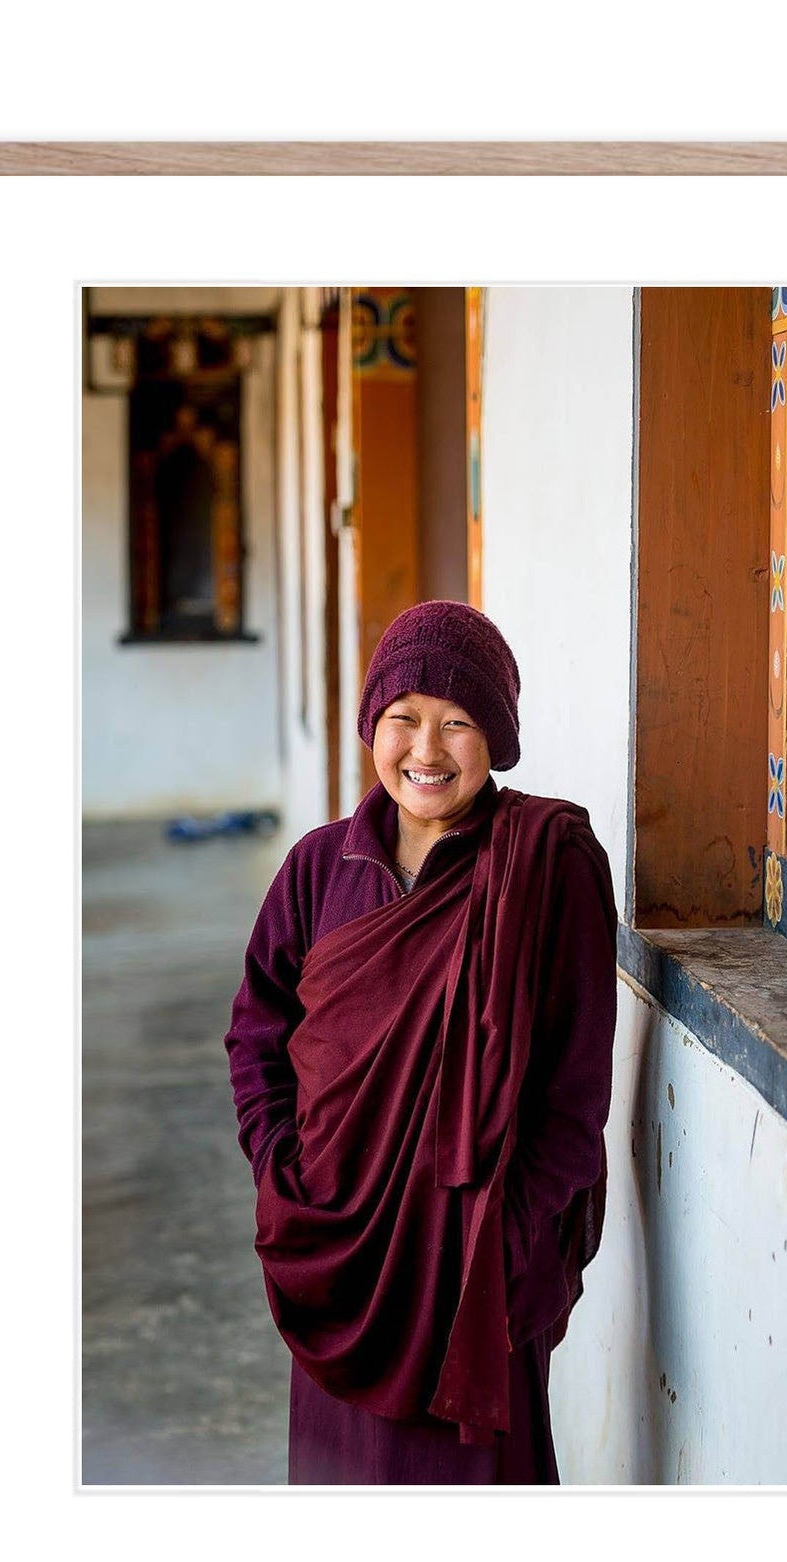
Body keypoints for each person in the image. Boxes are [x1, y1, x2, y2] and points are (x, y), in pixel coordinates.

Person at [225, 600, 618, 1484]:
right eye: (403, 717)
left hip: (473, 1273)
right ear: (373, 722)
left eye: (458, 722)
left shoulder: (542, 867)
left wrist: (505, 1237)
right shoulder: (319, 867)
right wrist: (284, 1173)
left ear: (498, 736)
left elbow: (574, 1091)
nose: (426, 750)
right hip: (335, 1250)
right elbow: (257, 1033)